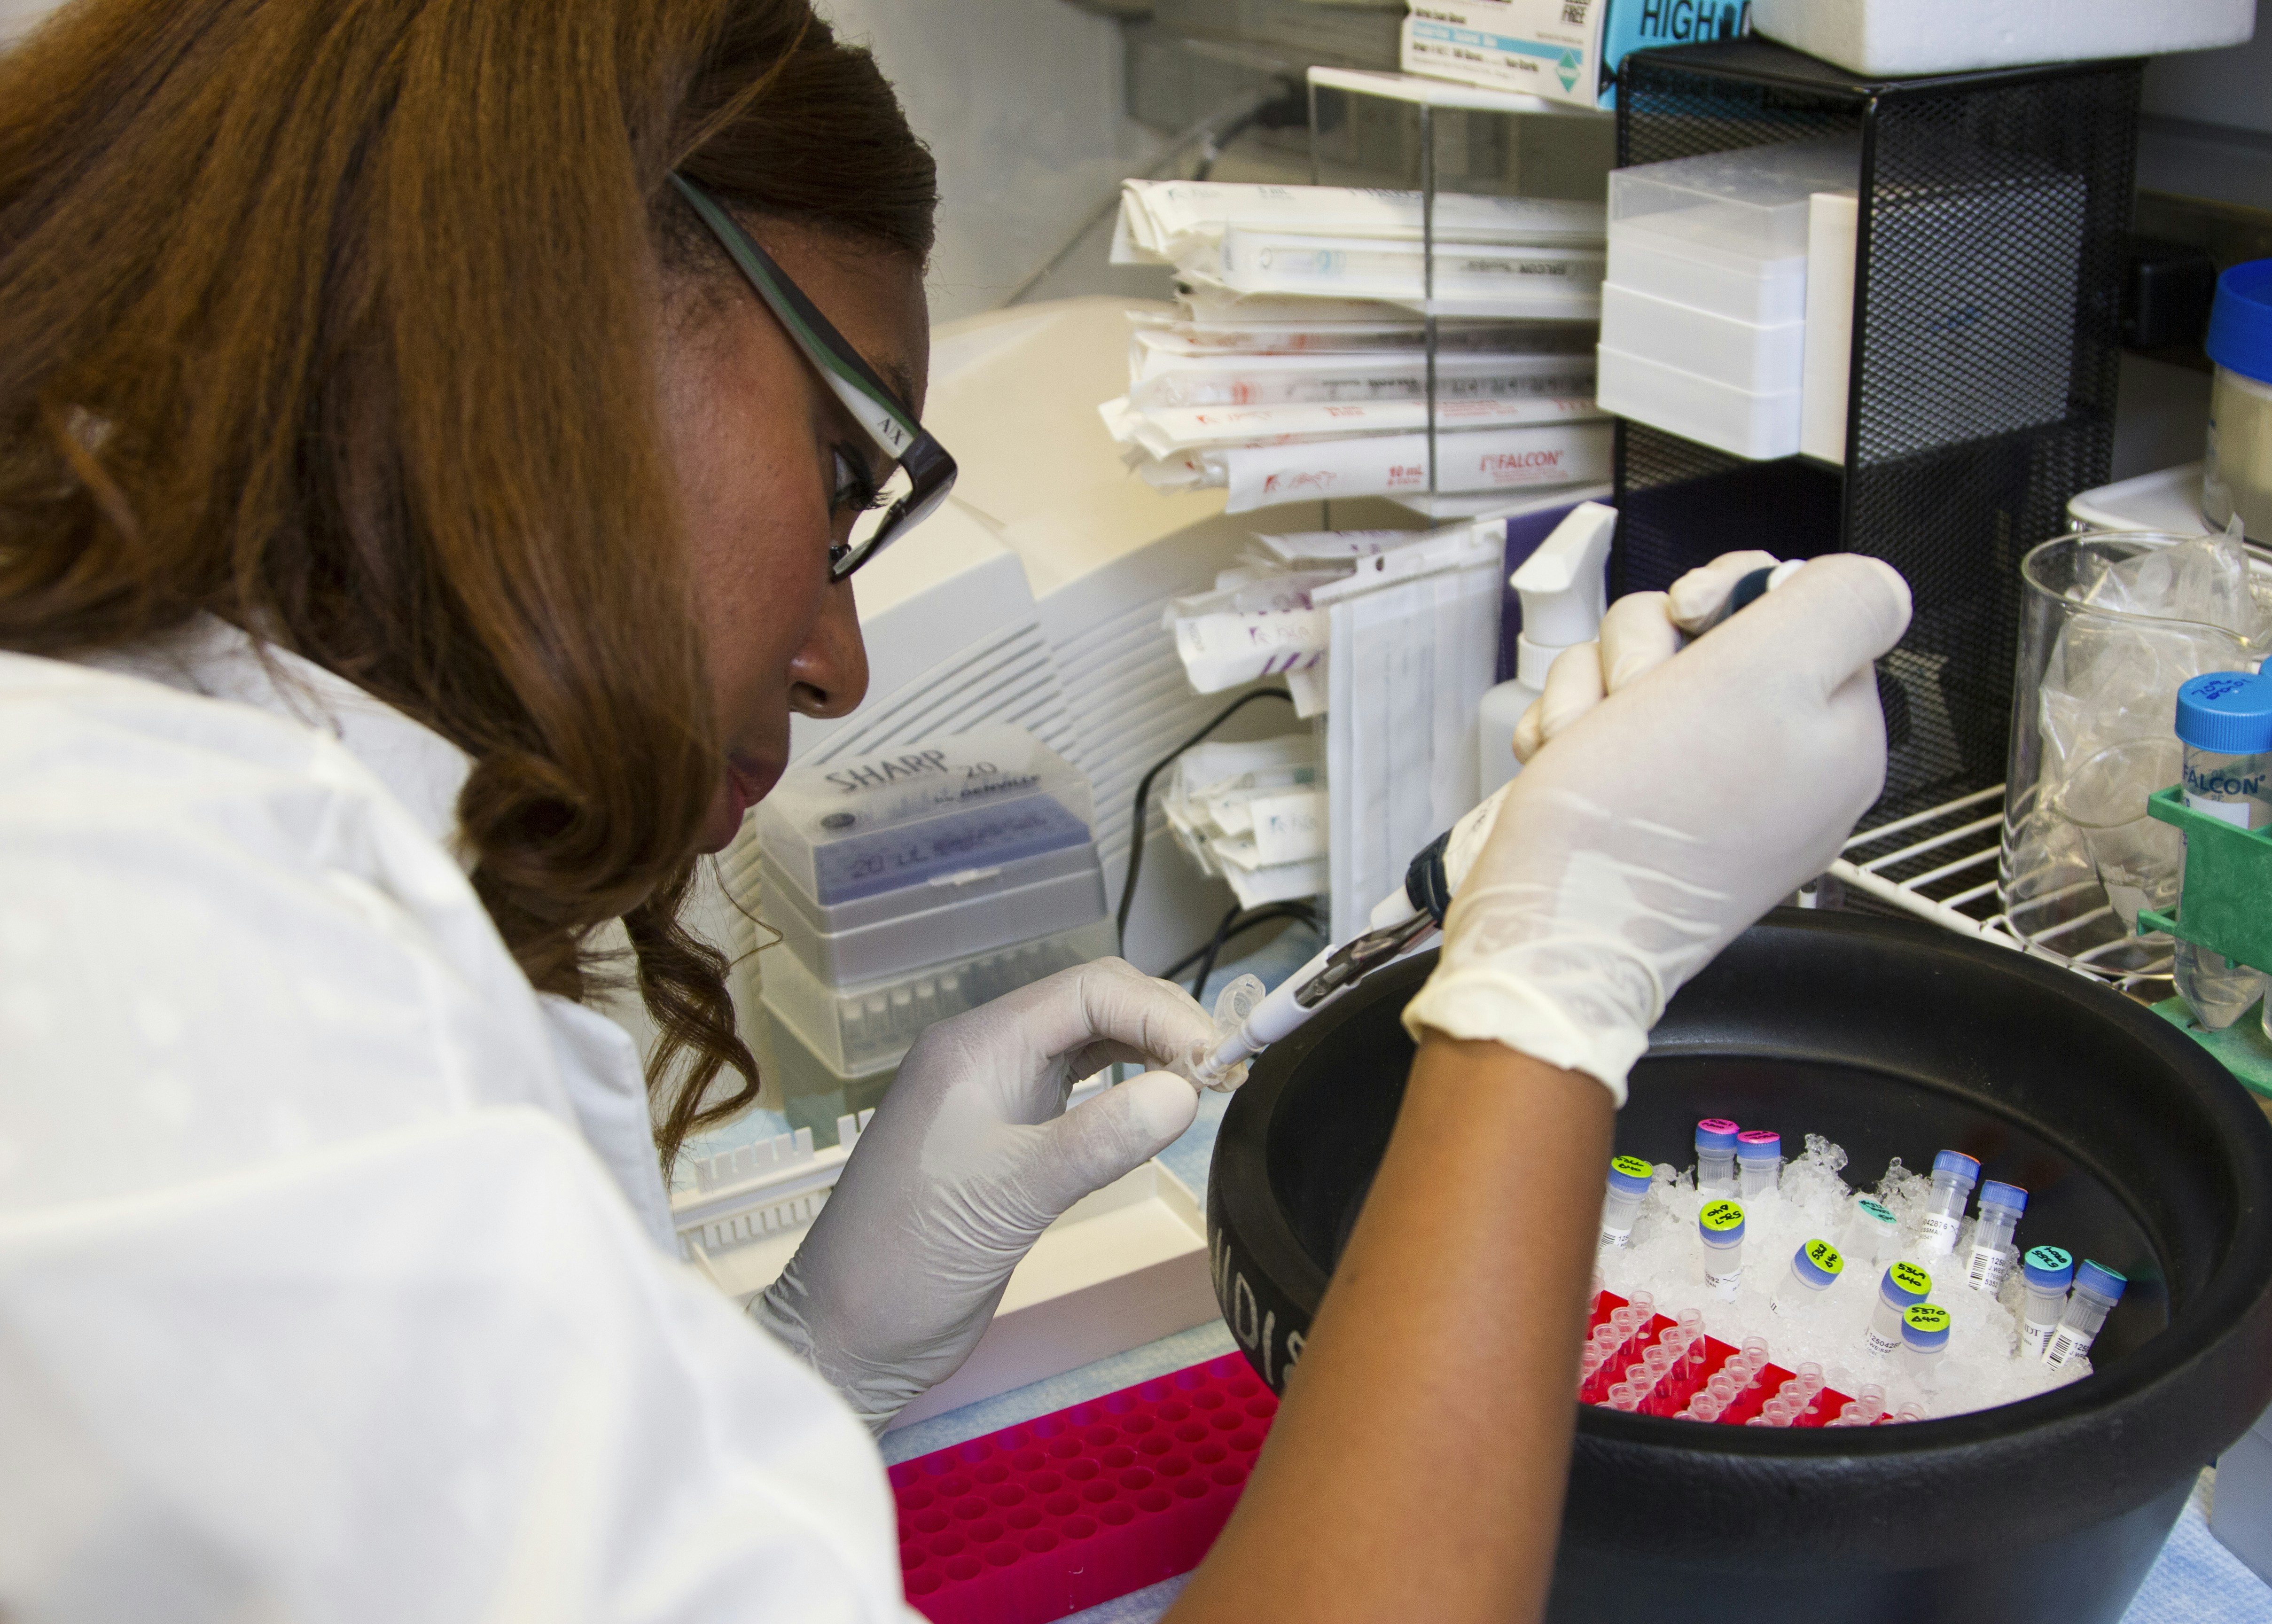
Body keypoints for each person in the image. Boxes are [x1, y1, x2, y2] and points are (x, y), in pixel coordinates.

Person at [0, 3, 1910, 1619]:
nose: (837, 664)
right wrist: (1560, 982)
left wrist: (797, 1366)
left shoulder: (172, 835)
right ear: (522, 288)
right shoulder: (182, 980)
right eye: (845, 476)